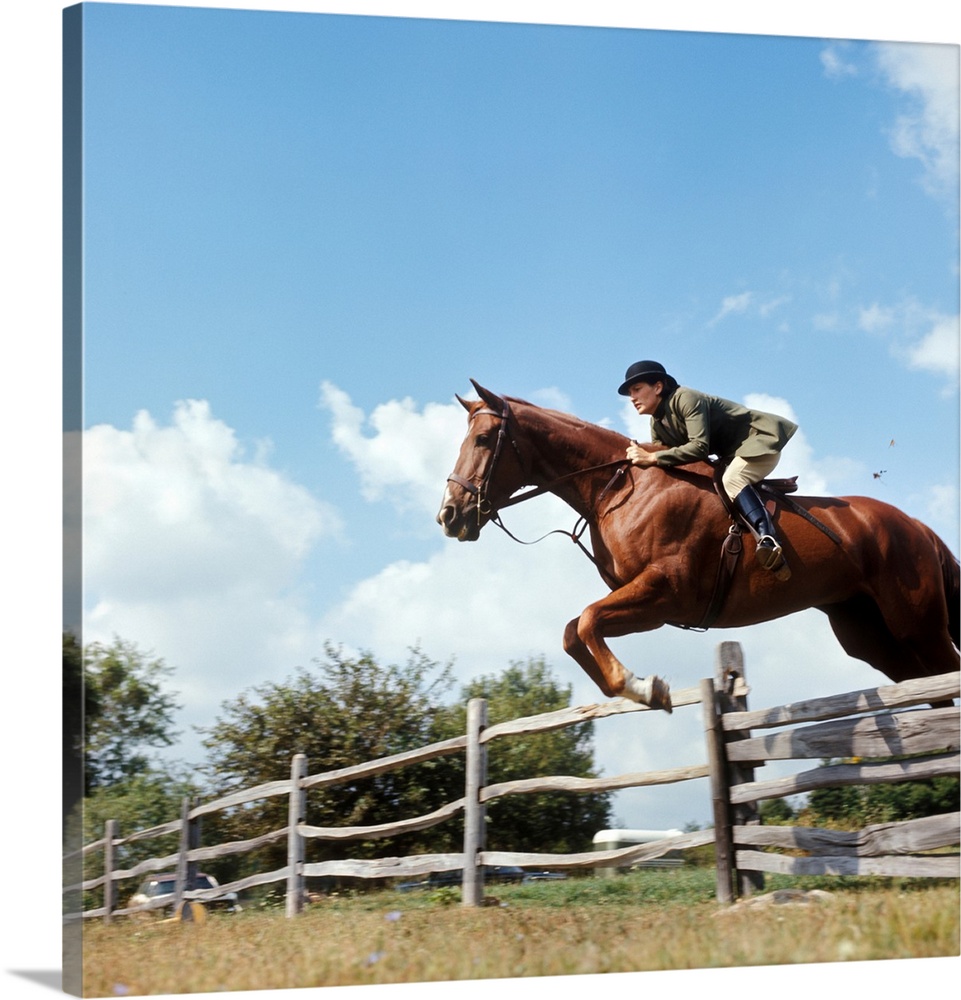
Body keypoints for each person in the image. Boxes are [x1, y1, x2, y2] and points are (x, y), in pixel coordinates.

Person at [618, 360, 797, 579]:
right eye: (630, 393)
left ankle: (768, 538)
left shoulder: (685, 398)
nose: (632, 398)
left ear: (658, 387)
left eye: (637, 389)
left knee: (732, 479)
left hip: (758, 443)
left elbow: (699, 448)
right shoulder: (657, 423)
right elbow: (667, 462)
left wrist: (652, 457)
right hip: (730, 456)